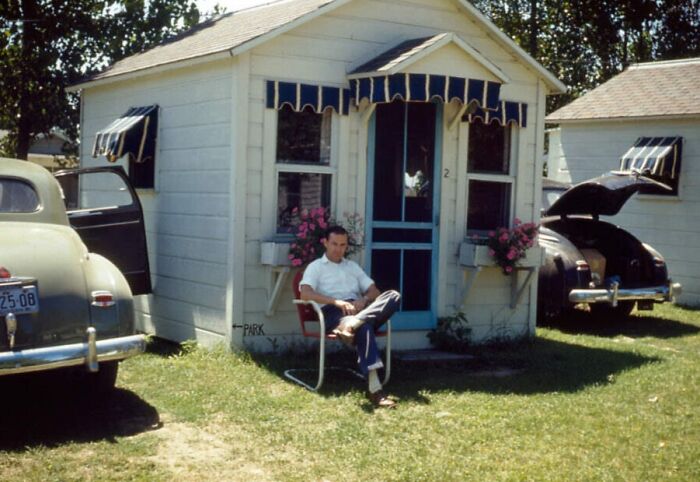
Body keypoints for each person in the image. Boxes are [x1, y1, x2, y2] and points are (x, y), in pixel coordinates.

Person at [299, 225, 401, 408]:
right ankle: (375, 390)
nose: (338, 249)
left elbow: (374, 291)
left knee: (393, 295)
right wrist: (335, 302)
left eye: (343, 245)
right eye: (334, 244)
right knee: (365, 327)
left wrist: (364, 299)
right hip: (336, 315)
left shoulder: (352, 267)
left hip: (360, 310)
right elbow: (305, 294)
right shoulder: (316, 267)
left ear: (347, 246)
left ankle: (356, 322)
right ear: (325, 243)